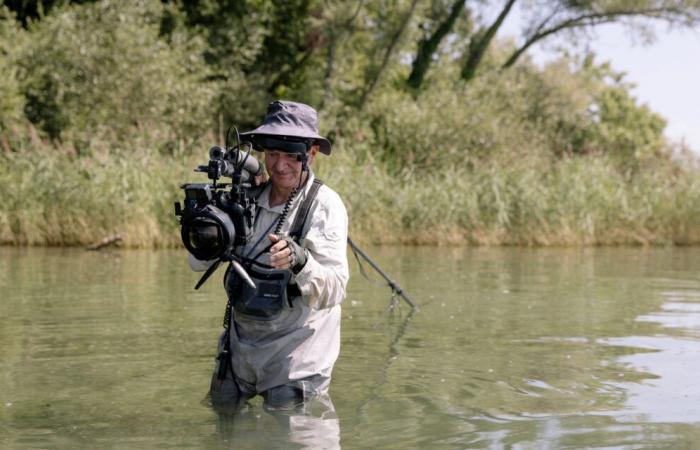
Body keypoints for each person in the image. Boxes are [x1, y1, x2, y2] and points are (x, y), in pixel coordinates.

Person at [189, 100, 349, 409]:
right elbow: (196, 264)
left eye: (291, 155)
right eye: (273, 154)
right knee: (224, 431)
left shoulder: (325, 206)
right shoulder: (244, 197)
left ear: (312, 153)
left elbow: (335, 289)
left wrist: (300, 261)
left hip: (297, 358)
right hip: (240, 353)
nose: (279, 165)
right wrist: (206, 235)